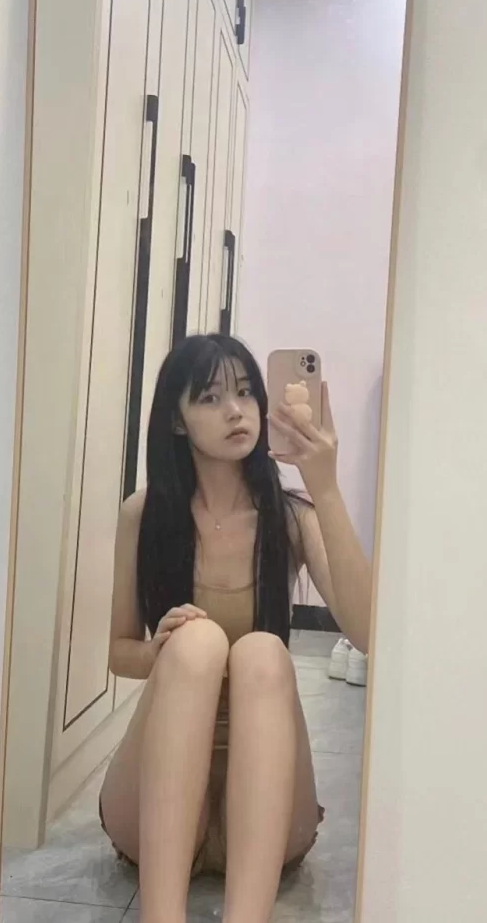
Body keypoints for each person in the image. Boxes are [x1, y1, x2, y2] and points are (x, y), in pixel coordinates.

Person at [98, 333, 372, 923]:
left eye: (246, 393)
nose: (236, 410)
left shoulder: (290, 516)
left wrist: (324, 485)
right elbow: (119, 651)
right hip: (160, 799)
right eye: (211, 397)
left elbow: (370, 634)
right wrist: (163, 651)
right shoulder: (144, 515)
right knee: (196, 642)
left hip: (267, 807)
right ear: (177, 420)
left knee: (262, 652)